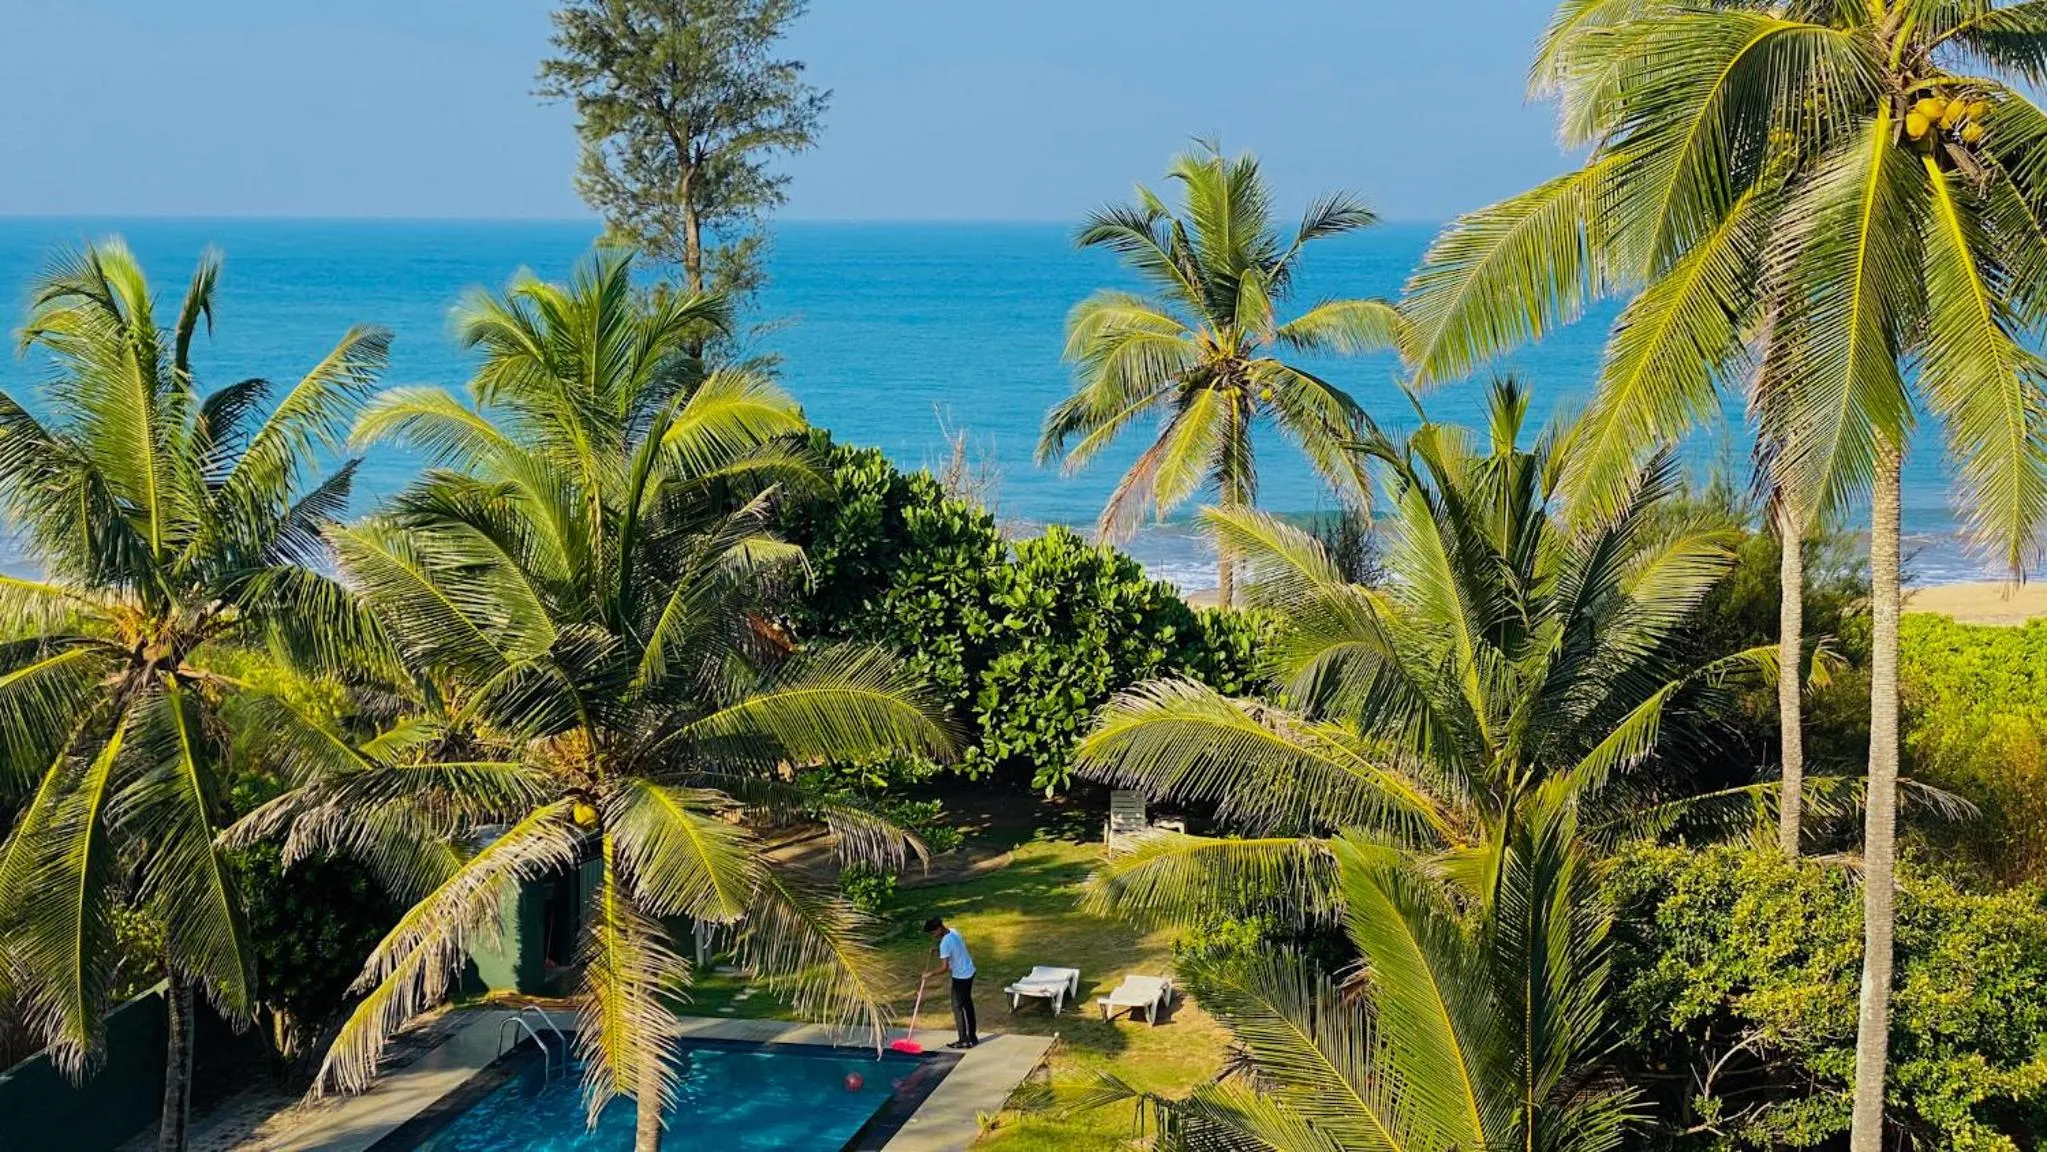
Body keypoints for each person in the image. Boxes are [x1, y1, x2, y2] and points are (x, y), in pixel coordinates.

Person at [922, 916, 977, 1049]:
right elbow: (955, 949)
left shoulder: (944, 943)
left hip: (961, 976)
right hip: (970, 971)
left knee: (957, 1007)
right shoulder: (953, 931)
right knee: (968, 1004)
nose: (933, 936)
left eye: (933, 933)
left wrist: (930, 974)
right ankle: (972, 1037)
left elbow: (944, 968)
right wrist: (938, 951)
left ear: (939, 928)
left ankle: (964, 1040)